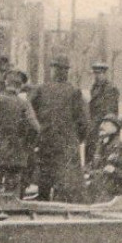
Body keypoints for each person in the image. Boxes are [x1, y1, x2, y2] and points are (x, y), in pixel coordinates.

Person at [29, 55, 91, 202]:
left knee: (45, 175)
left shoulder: (41, 89)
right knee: (64, 180)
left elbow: (29, 114)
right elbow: (84, 121)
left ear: (52, 70)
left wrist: (35, 137)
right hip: (66, 143)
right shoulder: (74, 92)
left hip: (45, 141)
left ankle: (42, 200)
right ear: (66, 72)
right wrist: (77, 139)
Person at [0, 70, 40, 195]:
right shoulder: (24, 104)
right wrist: (26, 146)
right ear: (20, 86)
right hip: (16, 156)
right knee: (13, 197)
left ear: (5, 83)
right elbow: (35, 128)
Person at [87, 62, 120, 139]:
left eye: (99, 73)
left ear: (104, 74)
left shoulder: (110, 89)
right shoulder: (95, 87)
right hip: (94, 128)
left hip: (105, 128)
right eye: (95, 73)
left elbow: (109, 111)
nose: (96, 76)